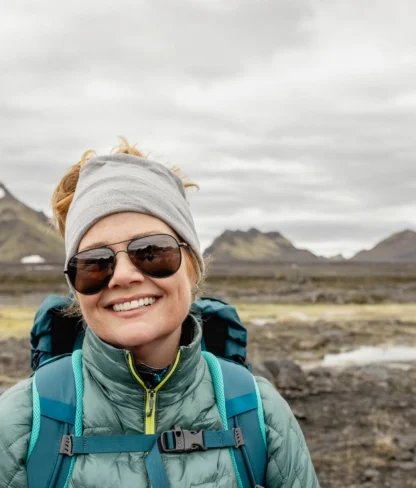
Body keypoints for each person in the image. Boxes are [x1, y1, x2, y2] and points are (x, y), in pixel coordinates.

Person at [0, 140, 320, 487]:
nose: (123, 276)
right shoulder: (22, 421)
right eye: (94, 263)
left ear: (192, 268)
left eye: (152, 252)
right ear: (75, 288)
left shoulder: (260, 413)